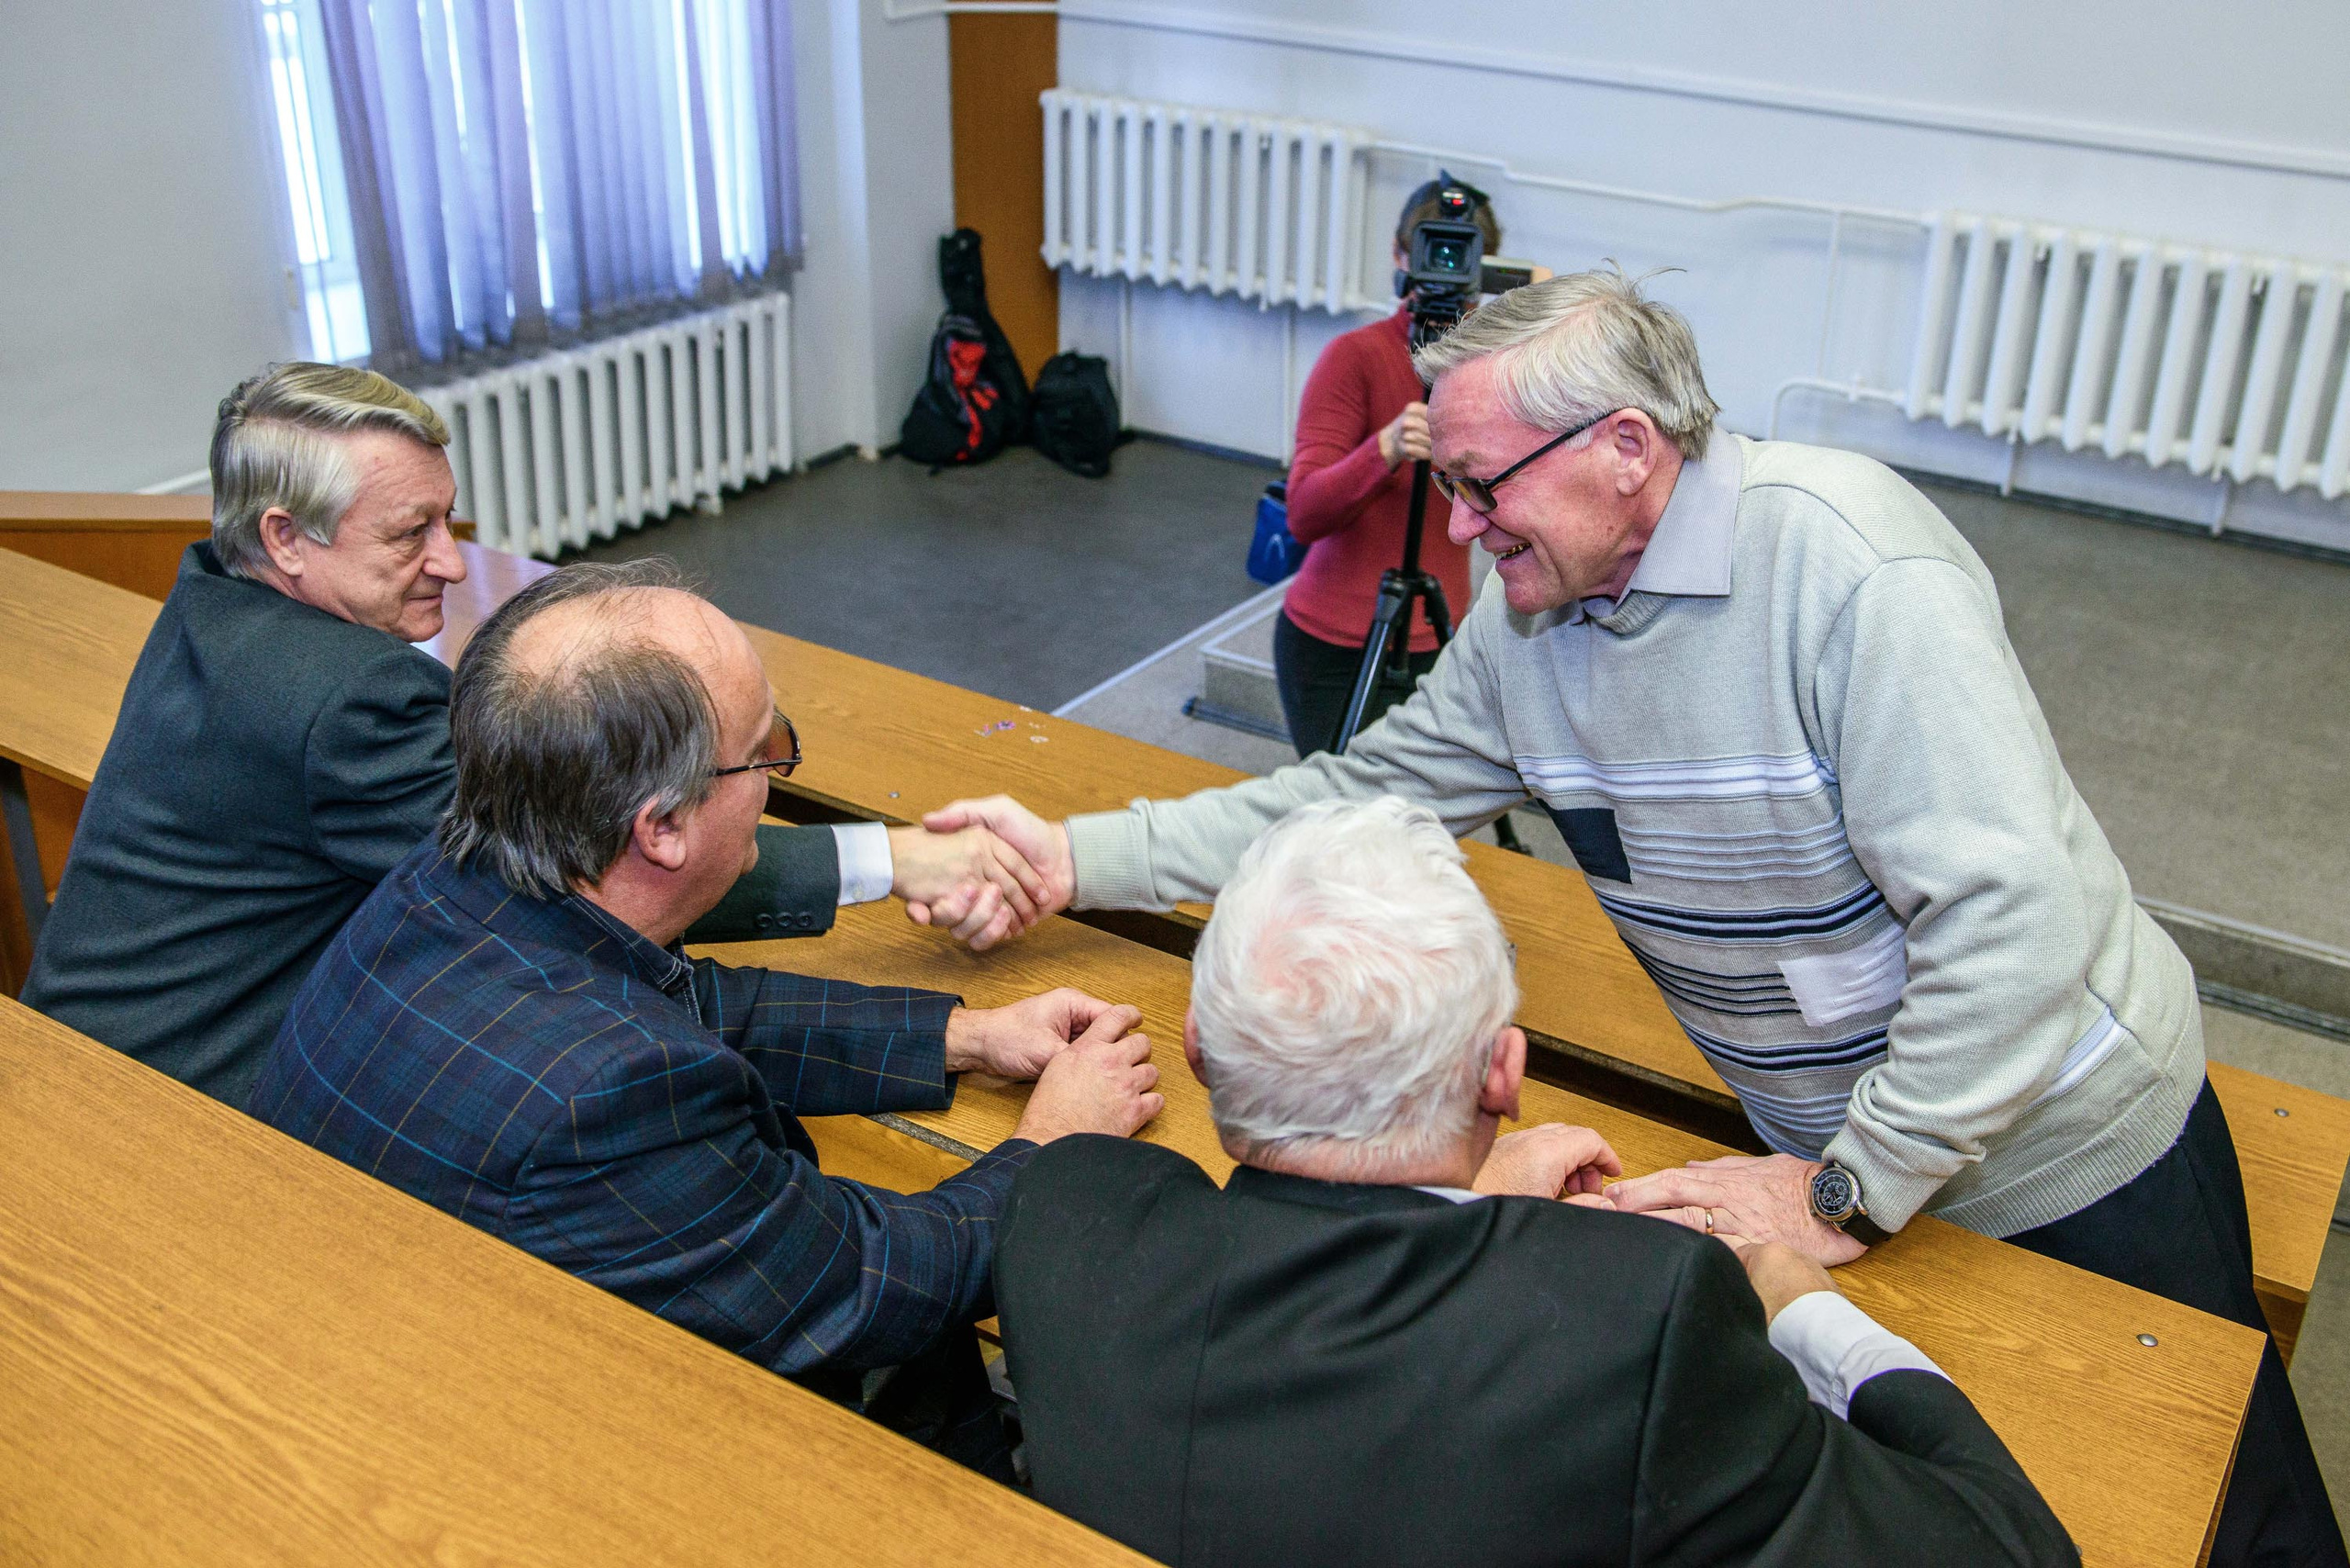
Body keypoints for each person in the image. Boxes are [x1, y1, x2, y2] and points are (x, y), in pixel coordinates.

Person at [926, 267, 2343, 1563]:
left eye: (1482, 487)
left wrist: (1852, 1181)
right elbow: (1355, 797)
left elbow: (2013, 924)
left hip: (2058, 1150)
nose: (1460, 529)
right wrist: (1071, 853)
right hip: (1837, 1148)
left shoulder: (1853, 574)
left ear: (1625, 446)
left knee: (2214, 1502)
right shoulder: (1531, 620)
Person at [250, 561, 1162, 1473]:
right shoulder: (608, 1100)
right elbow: (864, 1285)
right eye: (766, 753)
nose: (774, 779)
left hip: (395, 1339)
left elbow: (681, 1004)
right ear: (662, 828)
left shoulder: (447, 882)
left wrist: (961, 1037)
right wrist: (1051, 1146)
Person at [997, 798, 2076, 1565]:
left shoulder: (1063, 1215)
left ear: (1195, 1050)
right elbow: (2009, 1544)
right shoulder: (1642, 1318)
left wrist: (1467, 1216)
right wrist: (1803, 1311)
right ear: (1503, 1075)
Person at [23, 363, 1040, 1108]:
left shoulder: (215, 596)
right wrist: (890, 856)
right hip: (188, 1095)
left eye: (448, 521)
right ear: (285, 536)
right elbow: (584, 877)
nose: (452, 564)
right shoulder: (347, 703)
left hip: (70, 1049)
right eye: (407, 534)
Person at [1270, 178, 1499, 756]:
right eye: (1431, 249)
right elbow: (1303, 513)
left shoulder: (1499, 373)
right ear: (1400, 255)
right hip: (1337, 642)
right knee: (1349, 822)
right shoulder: (1355, 357)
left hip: (1444, 636)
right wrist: (1385, 450)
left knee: (1431, 821)